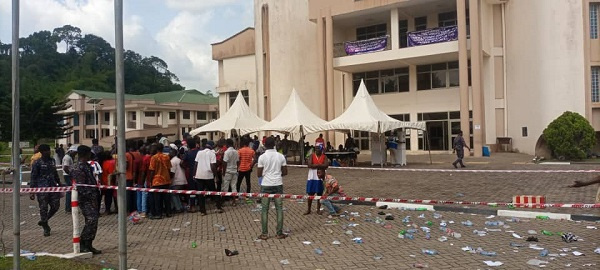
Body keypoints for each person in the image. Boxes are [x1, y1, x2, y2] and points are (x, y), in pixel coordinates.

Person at [70, 145, 101, 254]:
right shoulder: (77, 167)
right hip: (85, 199)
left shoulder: (87, 165)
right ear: (85, 154)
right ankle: (83, 243)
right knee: (91, 219)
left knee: (94, 220)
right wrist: (90, 196)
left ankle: (89, 244)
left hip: (92, 197)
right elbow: (81, 186)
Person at [257, 137, 288, 240]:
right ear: (275, 144)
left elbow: (259, 174)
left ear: (265, 145)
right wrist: (277, 174)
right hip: (278, 184)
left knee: (264, 209)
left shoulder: (262, 157)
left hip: (266, 184)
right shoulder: (281, 156)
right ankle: (279, 233)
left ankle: (264, 234)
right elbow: (285, 172)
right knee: (279, 209)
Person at [30, 144, 61, 237]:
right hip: (42, 189)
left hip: (53, 187)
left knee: (55, 206)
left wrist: (59, 183)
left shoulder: (52, 161)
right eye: (47, 150)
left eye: (49, 150)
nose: (49, 152)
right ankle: (46, 228)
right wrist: (32, 191)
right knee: (43, 208)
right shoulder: (37, 163)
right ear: (42, 152)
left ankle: (44, 221)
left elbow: (55, 173)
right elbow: (33, 177)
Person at [194, 141, 224, 215]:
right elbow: (213, 166)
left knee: (200, 193)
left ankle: (202, 211)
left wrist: (194, 174)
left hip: (199, 175)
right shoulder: (212, 153)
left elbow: (196, 164)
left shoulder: (199, 152)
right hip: (208, 175)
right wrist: (216, 176)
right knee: (214, 192)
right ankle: (218, 207)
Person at [148, 143, 173, 219]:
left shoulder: (154, 158)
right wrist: (169, 178)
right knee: (166, 198)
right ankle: (168, 213)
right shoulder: (167, 157)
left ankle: (159, 214)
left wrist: (150, 180)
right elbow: (169, 168)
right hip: (166, 179)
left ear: (156, 149)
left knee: (158, 199)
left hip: (157, 181)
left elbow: (152, 170)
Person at [304, 146, 328, 215]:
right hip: (312, 177)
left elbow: (326, 165)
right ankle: (309, 209)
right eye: (316, 148)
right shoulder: (312, 156)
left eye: (318, 148)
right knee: (310, 194)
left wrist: (315, 165)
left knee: (319, 193)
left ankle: (318, 209)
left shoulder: (324, 156)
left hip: (320, 177)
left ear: (321, 150)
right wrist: (320, 165)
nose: (317, 150)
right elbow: (309, 165)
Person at [183, 139, 200, 213]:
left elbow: (182, 162)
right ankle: (201, 205)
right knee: (200, 189)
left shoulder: (188, 153)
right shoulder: (199, 152)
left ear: (188, 146)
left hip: (191, 173)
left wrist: (186, 167)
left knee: (192, 190)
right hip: (200, 172)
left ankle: (192, 206)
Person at [222, 138, 239, 205]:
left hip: (228, 171)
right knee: (234, 186)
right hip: (234, 171)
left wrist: (223, 172)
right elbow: (238, 161)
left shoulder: (226, 152)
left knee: (225, 187)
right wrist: (237, 169)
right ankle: (234, 201)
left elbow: (224, 163)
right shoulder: (236, 152)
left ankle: (223, 201)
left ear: (227, 144)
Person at [170, 149, 187, 213]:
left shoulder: (172, 161)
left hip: (177, 181)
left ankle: (177, 208)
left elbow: (172, 173)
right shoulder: (179, 160)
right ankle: (180, 206)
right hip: (182, 180)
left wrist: (169, 181)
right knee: (176, 195)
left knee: (173, 194)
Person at [62, 145, 77, 213]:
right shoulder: (67, 158)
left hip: (68, 175)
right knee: (70, 191)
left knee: (71, 191)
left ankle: (69, 207)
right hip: (67, 176)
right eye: (75, 152)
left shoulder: (69, 157)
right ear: (71, 151)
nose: (75, 154)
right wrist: (71, 174)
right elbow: (65, 168)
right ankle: (68, 208)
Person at [136, 146, 150, 217]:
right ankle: (144, 210)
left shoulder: (138, 159)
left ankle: (140, 210)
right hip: (145, 178)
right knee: (144, 195)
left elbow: (136, 170)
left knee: (140, 195)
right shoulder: (147, 158)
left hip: (140, 179)